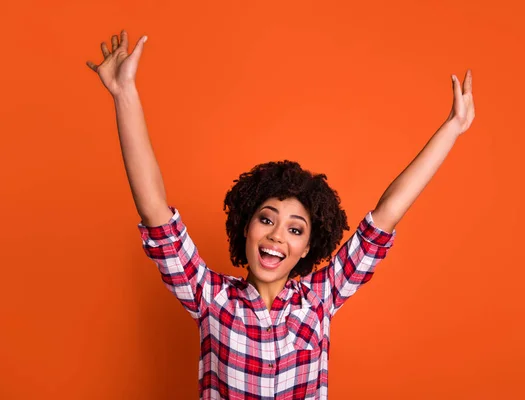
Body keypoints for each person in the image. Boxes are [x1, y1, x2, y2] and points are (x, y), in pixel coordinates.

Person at [86, 29, 475, 400]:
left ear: (307, 247)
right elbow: (155, 212)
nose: (276, 237)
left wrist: (452, 128)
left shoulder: (320, 300)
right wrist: (124, 95)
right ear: (246, 228)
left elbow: (386, 214)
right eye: (267, 220)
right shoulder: (211, 298)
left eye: (295, 229)